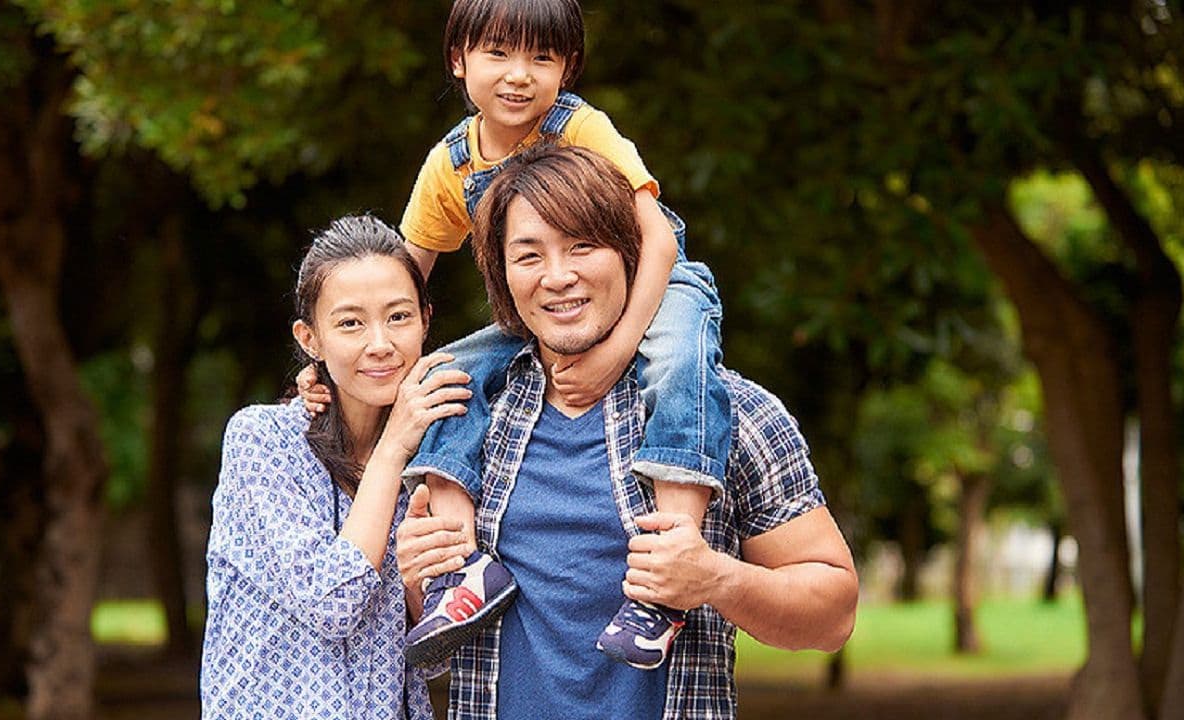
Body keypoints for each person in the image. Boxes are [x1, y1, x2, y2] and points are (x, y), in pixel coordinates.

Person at [302, 0, 729, 670]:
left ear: (569, 67)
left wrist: (618, 352)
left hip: (653, 285)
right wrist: (338, 361)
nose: (519, 75)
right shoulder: (452, 165)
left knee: (680, 361)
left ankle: (667, 575)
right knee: (440, 372)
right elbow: (398, 285)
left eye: (542, 57)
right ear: (458, 59)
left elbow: (658, 243)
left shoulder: (582, 128)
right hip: (543, 313)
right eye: (498, 53)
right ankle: (462, 567)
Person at [396, 144, 858, 720]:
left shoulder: (726, 412)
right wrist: (418, 582)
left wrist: (715, 578)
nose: (557, 277)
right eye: (529, 255)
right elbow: (424, 650)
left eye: (582, 246)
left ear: (632, 255)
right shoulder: (461, 420)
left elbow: (834, 613)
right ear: (502, 273)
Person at [200, 215, 476, 719]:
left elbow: (438, 655)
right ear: (311, 339)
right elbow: (334, 601)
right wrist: (393, 445)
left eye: (398, 317)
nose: (380, 343)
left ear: (426, 320)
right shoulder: (262, 441)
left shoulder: (438, 460)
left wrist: (418, 586)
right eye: (350, 323)